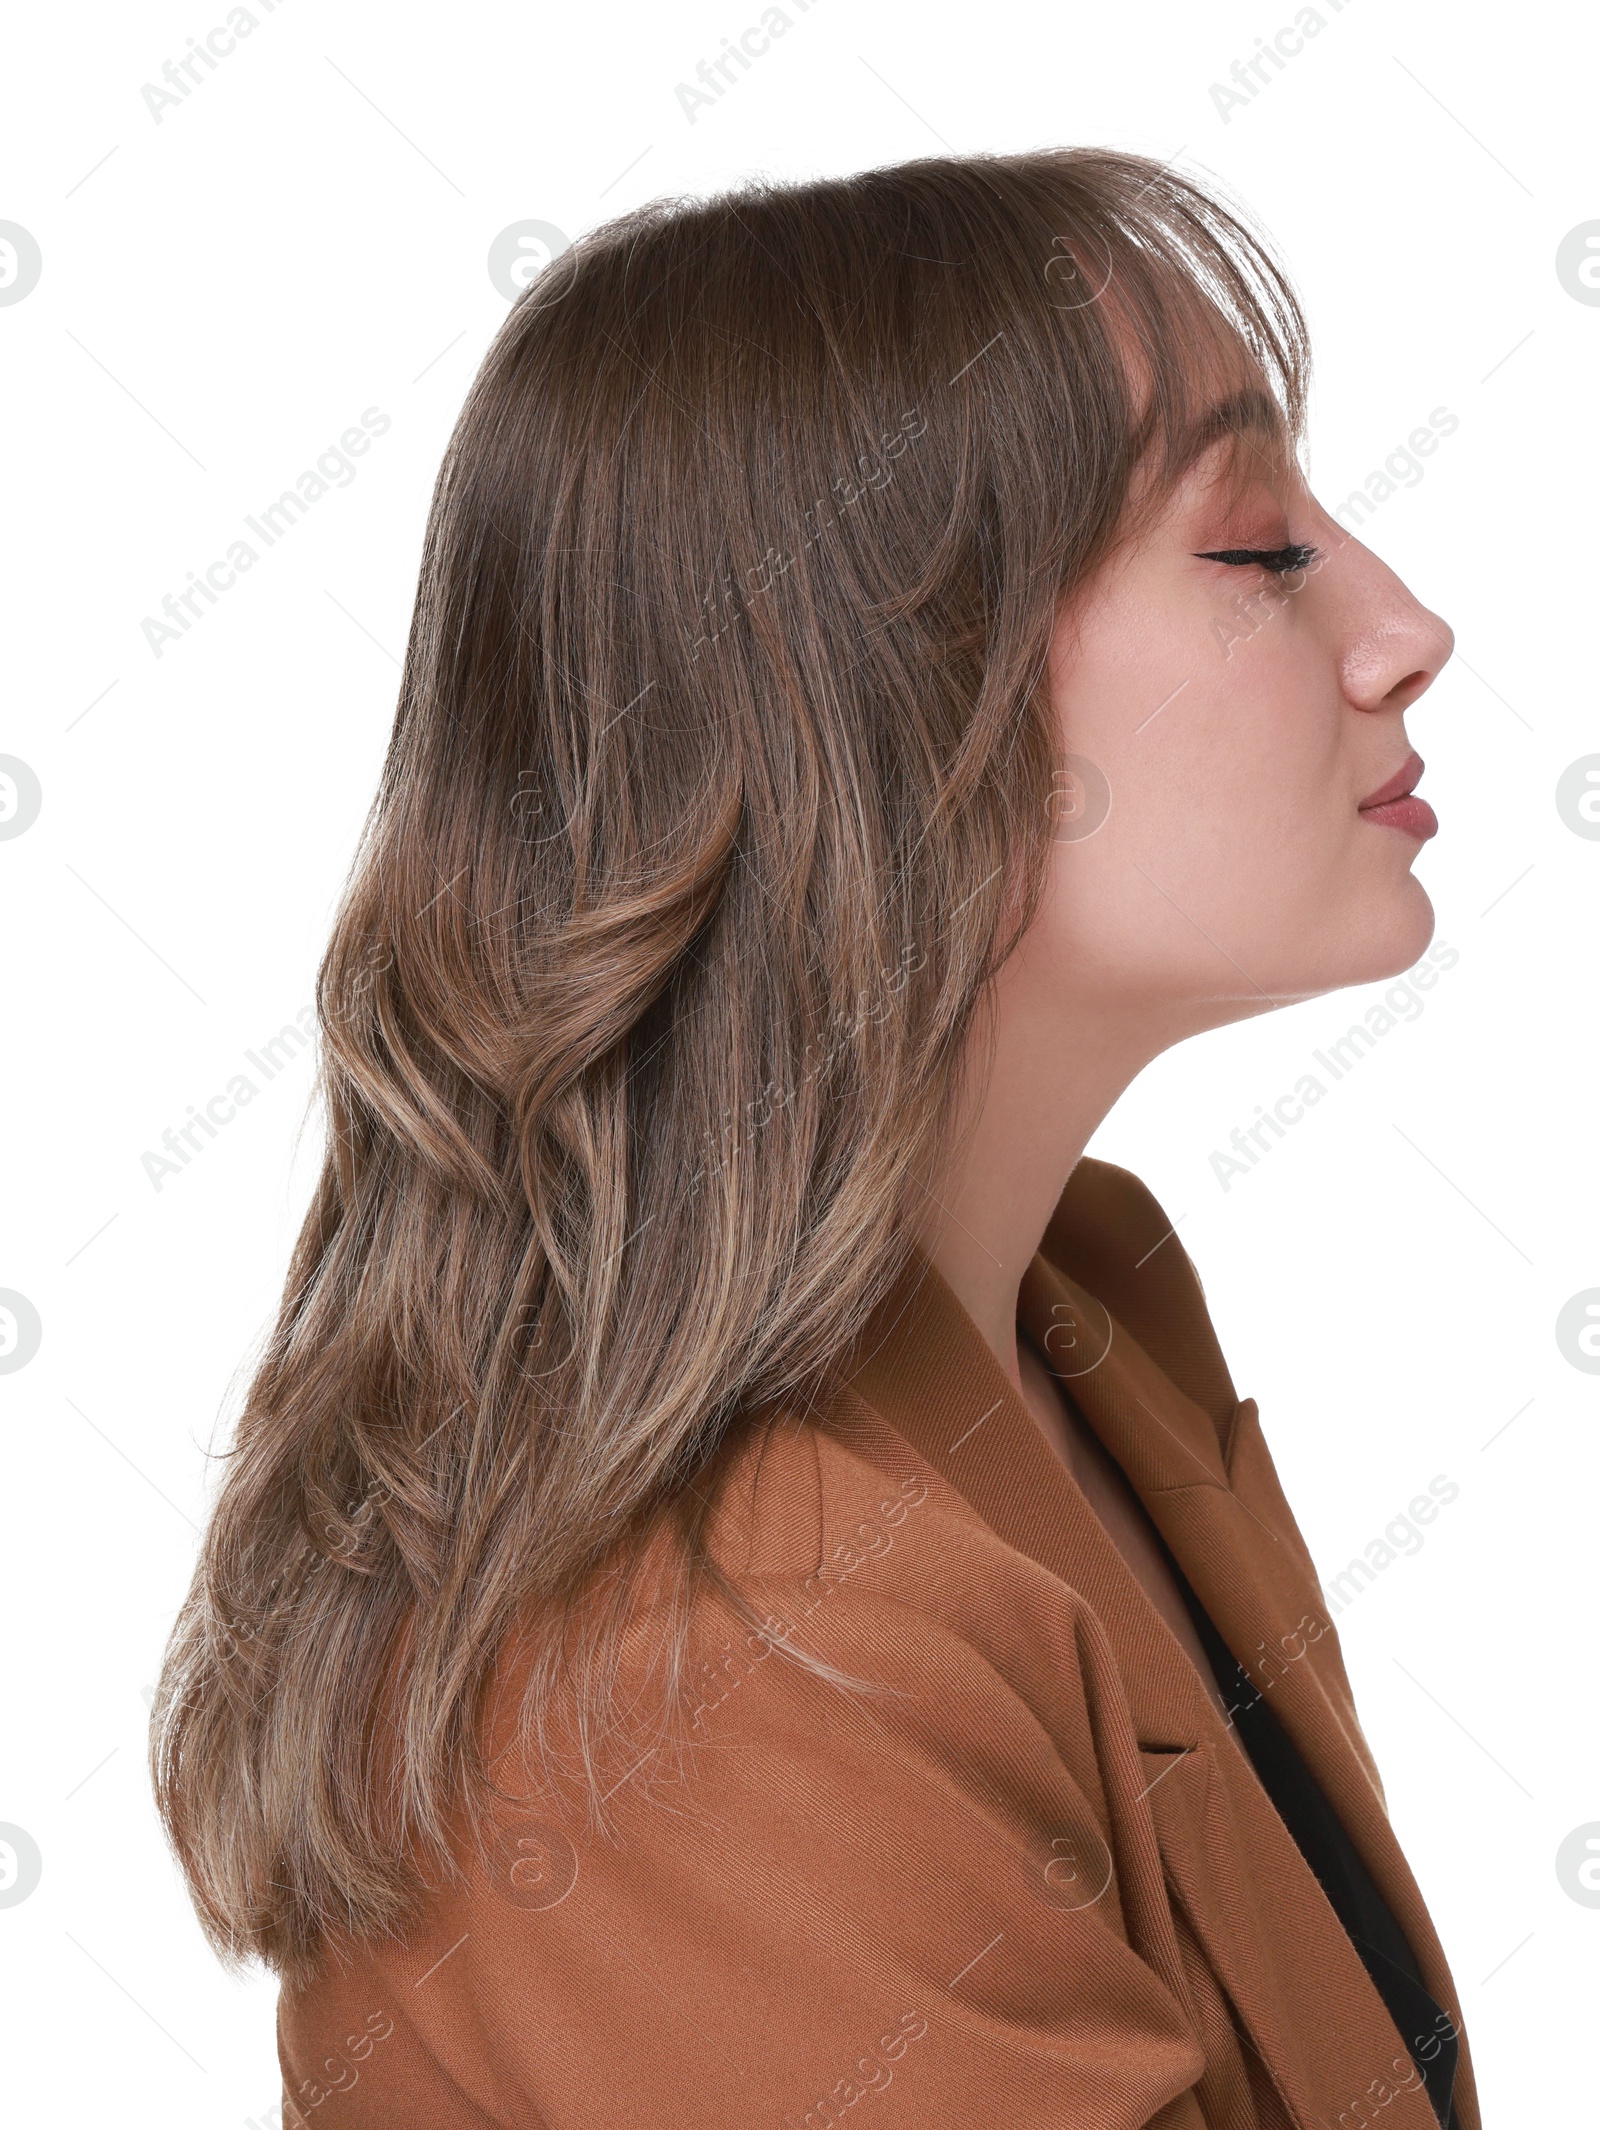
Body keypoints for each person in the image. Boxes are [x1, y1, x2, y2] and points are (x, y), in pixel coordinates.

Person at [150, 146, 1470, 2128]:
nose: (1401, 628)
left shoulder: (1081, 1316)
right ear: (873, 686)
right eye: (1257, 546)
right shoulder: (716, 1668)